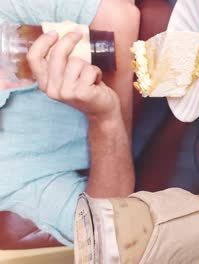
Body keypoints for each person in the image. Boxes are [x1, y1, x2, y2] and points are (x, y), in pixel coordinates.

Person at [0, 0, 140, 246]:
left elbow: (118, 15)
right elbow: (106, 231)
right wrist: (105, 118)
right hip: (176, 155)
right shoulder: (6, 177)